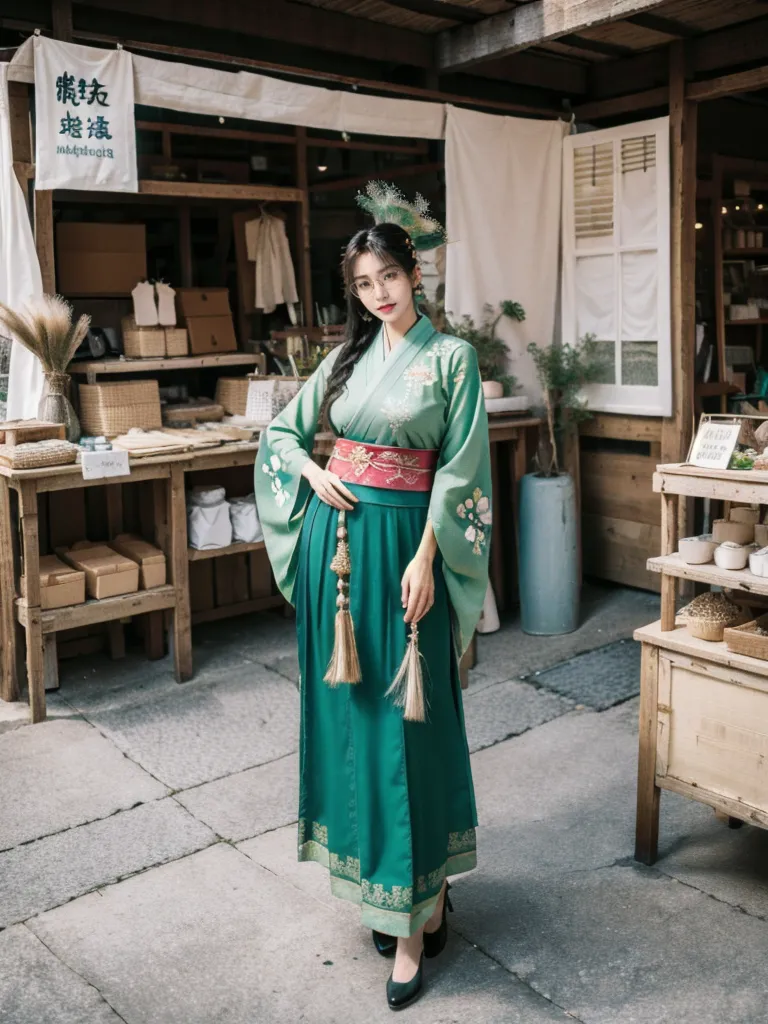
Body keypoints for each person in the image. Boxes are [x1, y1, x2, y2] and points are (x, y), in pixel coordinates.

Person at [254, 184, 492, 1011]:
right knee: (355, 720)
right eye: (363, 284)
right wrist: (313, 470)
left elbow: (460, 472)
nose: (378, 294)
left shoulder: (451, 359)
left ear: (414, 273)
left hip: (405, 551)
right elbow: (281, 435)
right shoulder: (346, 359)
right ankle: (385, 887)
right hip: (337, 556)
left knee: (407, 726)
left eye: (388, 276)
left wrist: (430, 556)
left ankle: (415, 916)